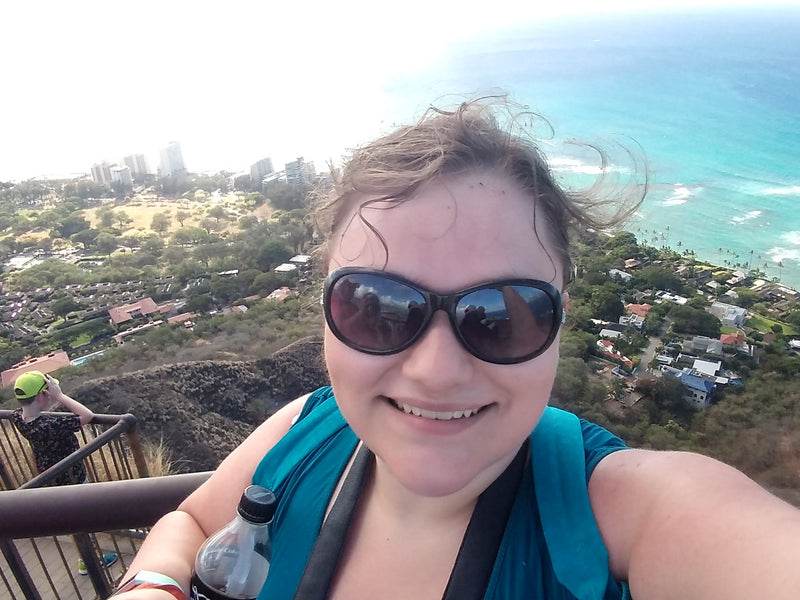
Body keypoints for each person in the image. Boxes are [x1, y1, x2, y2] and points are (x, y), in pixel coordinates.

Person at [114, 98, 800, 600]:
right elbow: (192, 519)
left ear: (561, 319)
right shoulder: (301, 433)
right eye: (377, 309)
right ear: (324, 313)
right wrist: (154, 585)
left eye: (502, 316)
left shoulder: (626, 516)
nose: (437, 370)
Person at [11, 370, 118, 573]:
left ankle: (85, 559)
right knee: (82, 519)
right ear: (43, 395)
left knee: (72, 520)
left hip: (50, 477)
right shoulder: (50, 425)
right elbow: (87, 415)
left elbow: (27, 410)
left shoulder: (19, 418)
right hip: (72, 477)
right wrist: (59, 396)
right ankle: (90, 561)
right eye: (47, 392)